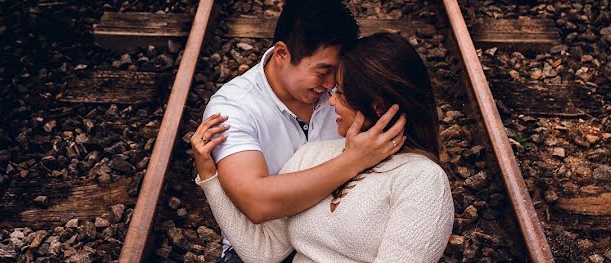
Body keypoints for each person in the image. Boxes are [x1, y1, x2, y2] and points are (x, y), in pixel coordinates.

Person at [193, 32, 455, 263]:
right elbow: (264, 252)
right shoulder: (315, 154)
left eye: (340, 93)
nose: (330, 101)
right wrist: (209, 177)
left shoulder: (421, 179)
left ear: (376, 107)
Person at [200, 0, 408, 262]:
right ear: (282, 54)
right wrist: (353, 160)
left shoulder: (342, 94)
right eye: (323, 71)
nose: (332, 84)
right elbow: (257, 203)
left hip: (336, 236)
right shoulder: (232, 109)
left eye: (337, 70)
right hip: (264, 245)